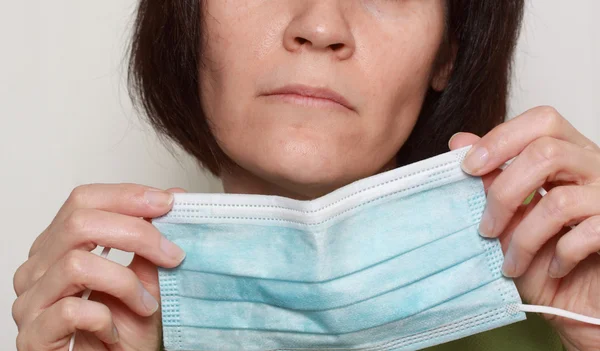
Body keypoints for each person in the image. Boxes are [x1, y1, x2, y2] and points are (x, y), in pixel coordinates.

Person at [11, 1, 600, 350]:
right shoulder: (100, 335)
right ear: (188, 21)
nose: (320, 26)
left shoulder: (564, 321)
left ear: (446, 53)